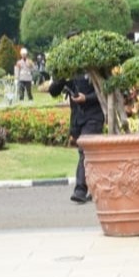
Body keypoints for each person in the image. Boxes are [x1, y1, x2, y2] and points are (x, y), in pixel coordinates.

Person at [49, 72, 104, 203]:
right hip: (77, 119)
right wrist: (61, 77)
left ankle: (80, 189)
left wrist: (87, 98)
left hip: (94, 116)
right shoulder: (70, 69)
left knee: (84, 150)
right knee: (92, 155)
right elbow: (53, 91)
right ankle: (97, 187)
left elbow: (106, 91)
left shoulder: (96, 68)